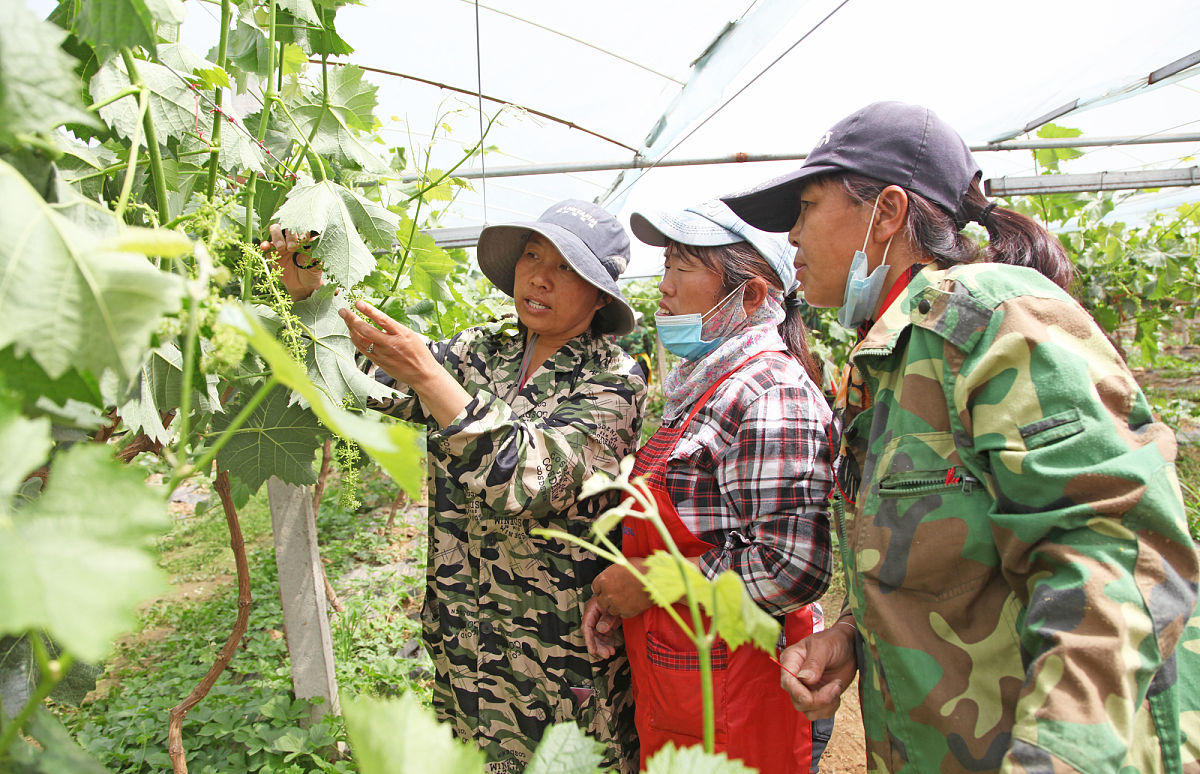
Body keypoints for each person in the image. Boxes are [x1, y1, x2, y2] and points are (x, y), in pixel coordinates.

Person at [721, 101, 1200, 773]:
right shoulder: (887, 364)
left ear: (886, 213)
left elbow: (1116, 563)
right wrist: (855, 637)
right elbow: (949, 558)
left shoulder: (991, 323)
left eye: (804, 208)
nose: (792, 238)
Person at [264, 199, 647, 773]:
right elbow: (370, 378)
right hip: (464, 641)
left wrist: (429, 377)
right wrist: (311, 294)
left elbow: (528, 480)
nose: (539, 276)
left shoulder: (615, 380)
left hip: (556, 657)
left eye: (566, 268)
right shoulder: (479, 351)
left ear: (599, 295)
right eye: (532, 256)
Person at [582, 199, 835, 773]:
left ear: (749, 295)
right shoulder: (707, 390)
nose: (663, 289)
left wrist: (652, 584)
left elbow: (791, 565)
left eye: (682, 268)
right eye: (665, 266)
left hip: (746, 697)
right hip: (689, 683)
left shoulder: (768, 391)